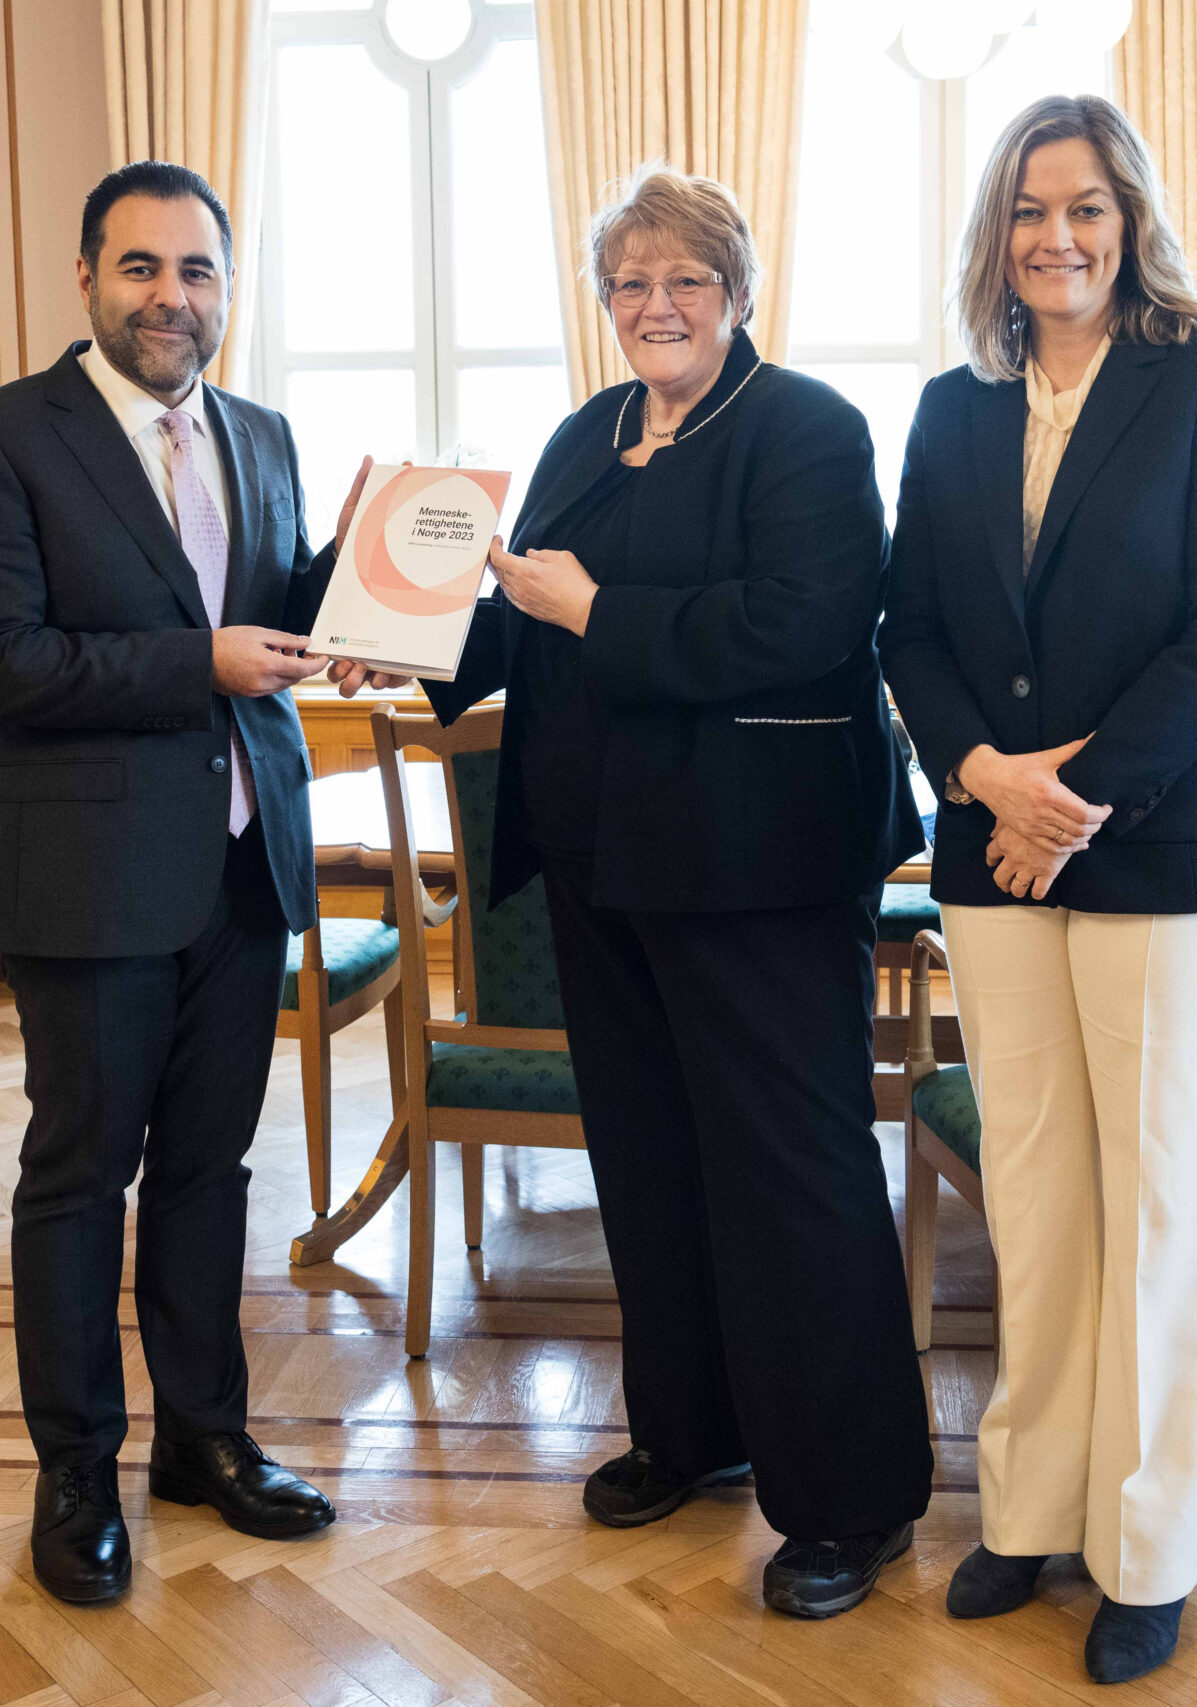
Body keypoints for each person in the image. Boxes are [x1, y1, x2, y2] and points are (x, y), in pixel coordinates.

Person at [327, 166, 932, 1619]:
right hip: (603, 860)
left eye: (687, 281)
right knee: (651, 1163)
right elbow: (515, 610)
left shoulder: (806, 430)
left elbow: (806, 629)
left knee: (792, 1172)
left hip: (761, 871)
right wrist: (393, 643)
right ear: (604, 301)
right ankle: (693, 1431)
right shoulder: (586, 432)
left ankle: (854, 1498)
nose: (656, 307)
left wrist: (597, 609)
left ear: (737, 292)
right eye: (630, 284)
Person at [0, 160, 372, 1604]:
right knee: (78, 1179)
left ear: (226, 292)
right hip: (91, 876)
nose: (171, 297)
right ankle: (75, 1476)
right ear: (86, 281)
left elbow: (271, 611)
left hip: (243, 868)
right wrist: (207, 663)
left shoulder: (264, 431)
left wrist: (361, 599)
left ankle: (206, 1440)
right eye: (141, 268)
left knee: (207, 1173)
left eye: (197, 272)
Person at [880, 95, 1197, 1684]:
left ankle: (1146, 1546)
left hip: (1167, 858)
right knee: (1034, 1194)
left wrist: (1079, 799)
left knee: (1161, 1201)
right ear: (999, 232)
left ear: (1130, 223)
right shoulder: (953, 408)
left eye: (1088, 208)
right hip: (991, 851)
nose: (1058, 235)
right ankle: (1030, 1510)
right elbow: (908, 630)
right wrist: (990, 782)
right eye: (1032, 209)